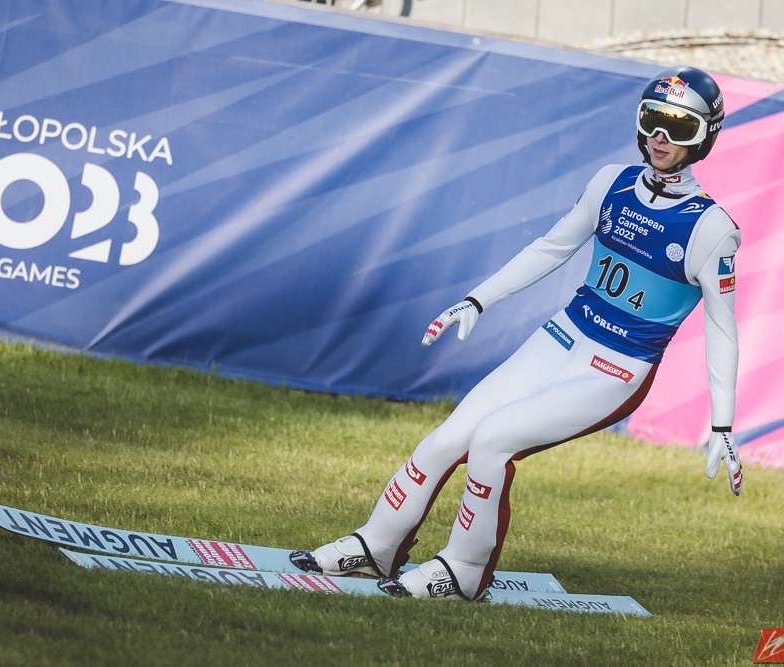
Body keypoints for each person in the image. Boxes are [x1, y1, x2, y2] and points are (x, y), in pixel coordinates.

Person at [293, 66, 743, 601]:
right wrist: (477, 299)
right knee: (451, 436)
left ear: (705, 136)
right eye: (652, 120)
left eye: (680, 127)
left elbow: (722, 328)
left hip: (618, 366)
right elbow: (551, 248)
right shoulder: (611, 182)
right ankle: (375, 546)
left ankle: (464, 572)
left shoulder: (712, 228)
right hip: (563, 336)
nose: (661, 137)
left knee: (493, 440)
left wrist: (722, 425)